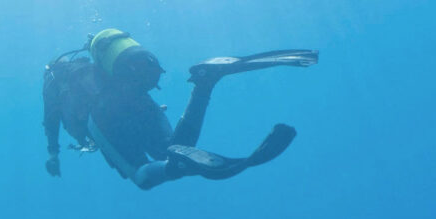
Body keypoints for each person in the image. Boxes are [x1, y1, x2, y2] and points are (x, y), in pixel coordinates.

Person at [42, 29, 317, 189]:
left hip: (101, 116)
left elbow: (51, 121)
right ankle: (204, 83)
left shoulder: (55, 83)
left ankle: (175, 167)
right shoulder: (100, 70)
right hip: (136, 98)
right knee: (174, 148)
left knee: (142, 176)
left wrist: (53, 155)